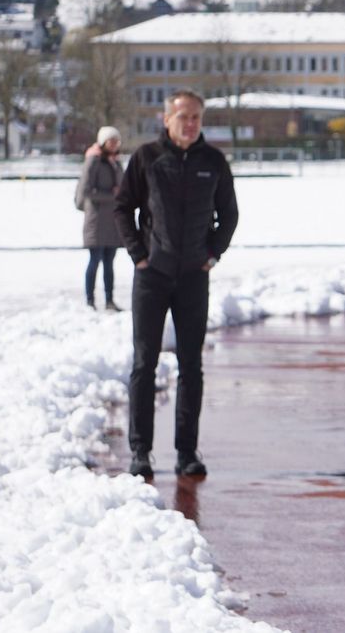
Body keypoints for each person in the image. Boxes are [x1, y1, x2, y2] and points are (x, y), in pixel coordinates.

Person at [114, 89, 239, 479]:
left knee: (191, 365)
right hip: (152, 275)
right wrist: (139, 253)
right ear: (166, 119)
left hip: (193, 278)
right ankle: (141, 451)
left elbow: (229, 215)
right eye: (183, 116)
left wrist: (212, 254)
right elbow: (123, 207)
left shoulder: (213, 161)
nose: (190, 123)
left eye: (196, 117)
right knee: (144, 363)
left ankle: (187, 452)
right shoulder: (147, 157)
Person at [78, 126, 125, 311]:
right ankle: (90, 300)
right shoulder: (93, 161)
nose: (114, 144)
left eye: (116, 141)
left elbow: (122, 185)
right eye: (111, 141)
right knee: (95, 260)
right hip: (97, 220)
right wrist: (112, 195)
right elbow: (87, 191)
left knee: (109, 262)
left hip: (112, 220)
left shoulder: (116, 162)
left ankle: (109, 300)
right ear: (103, 142)